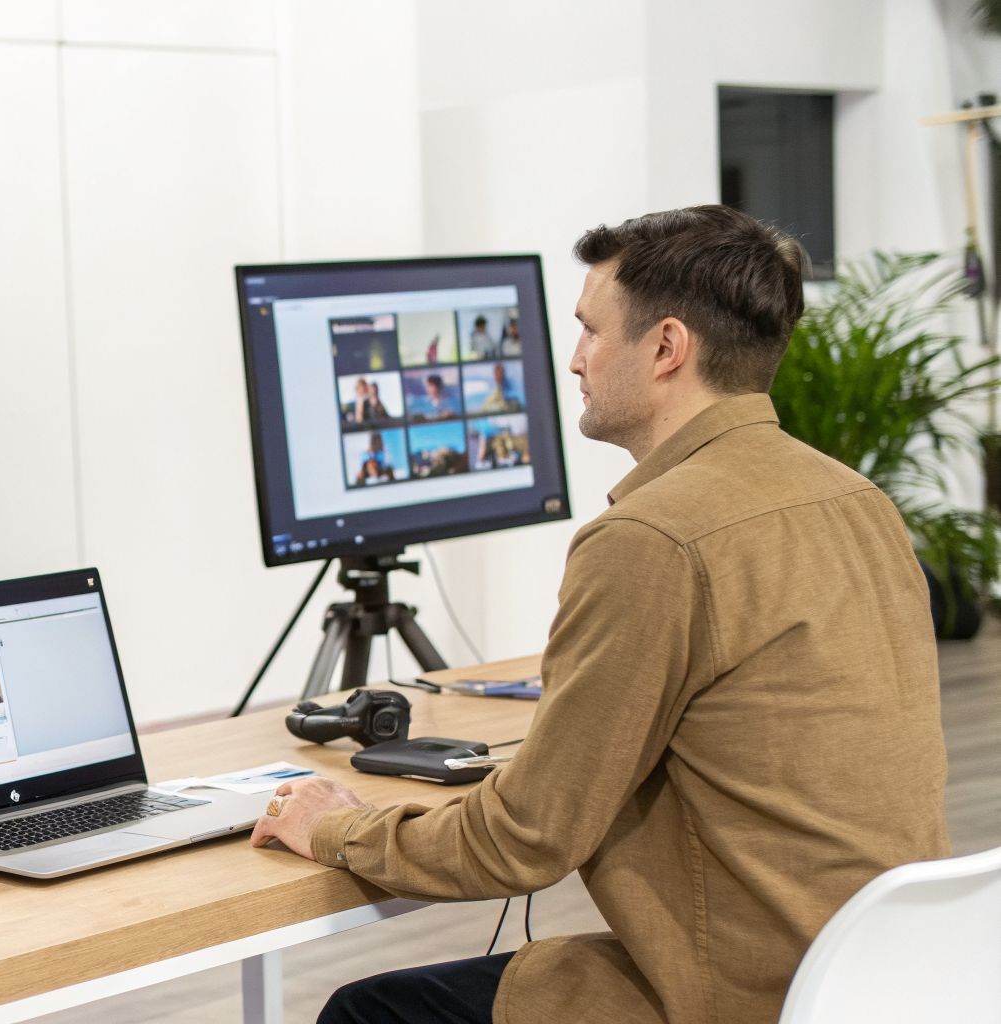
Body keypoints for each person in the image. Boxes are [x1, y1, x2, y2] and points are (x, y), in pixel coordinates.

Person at [250, 205, 947, 1024]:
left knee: (370, 1013)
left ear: (666, 348)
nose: (574, 360)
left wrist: (343, 828)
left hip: (745, 1000)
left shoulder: (651, 538)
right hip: (883, 978)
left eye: (589, 331)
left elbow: (525, 841)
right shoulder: (854, 497)